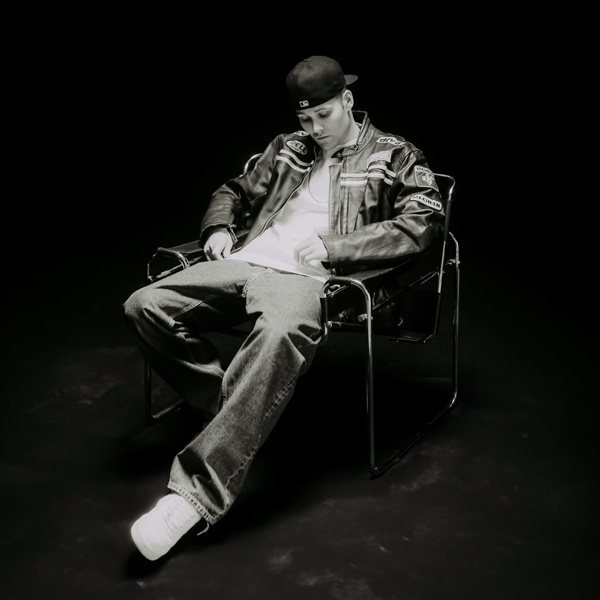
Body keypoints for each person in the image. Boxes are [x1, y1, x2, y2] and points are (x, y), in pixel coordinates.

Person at [123, 55, 445, 561]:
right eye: (305, 118)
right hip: (247, 259)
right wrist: (218, 227)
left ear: (347, 100)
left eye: (324, 115)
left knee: (278, 333)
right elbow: (232, 190)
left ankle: (192, 496)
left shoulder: (393, 154)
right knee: (146, 305)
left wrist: (338, 248)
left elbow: (425, 221)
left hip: (311, 279)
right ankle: (239, 412)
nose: (314, 129)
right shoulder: (286, 148)